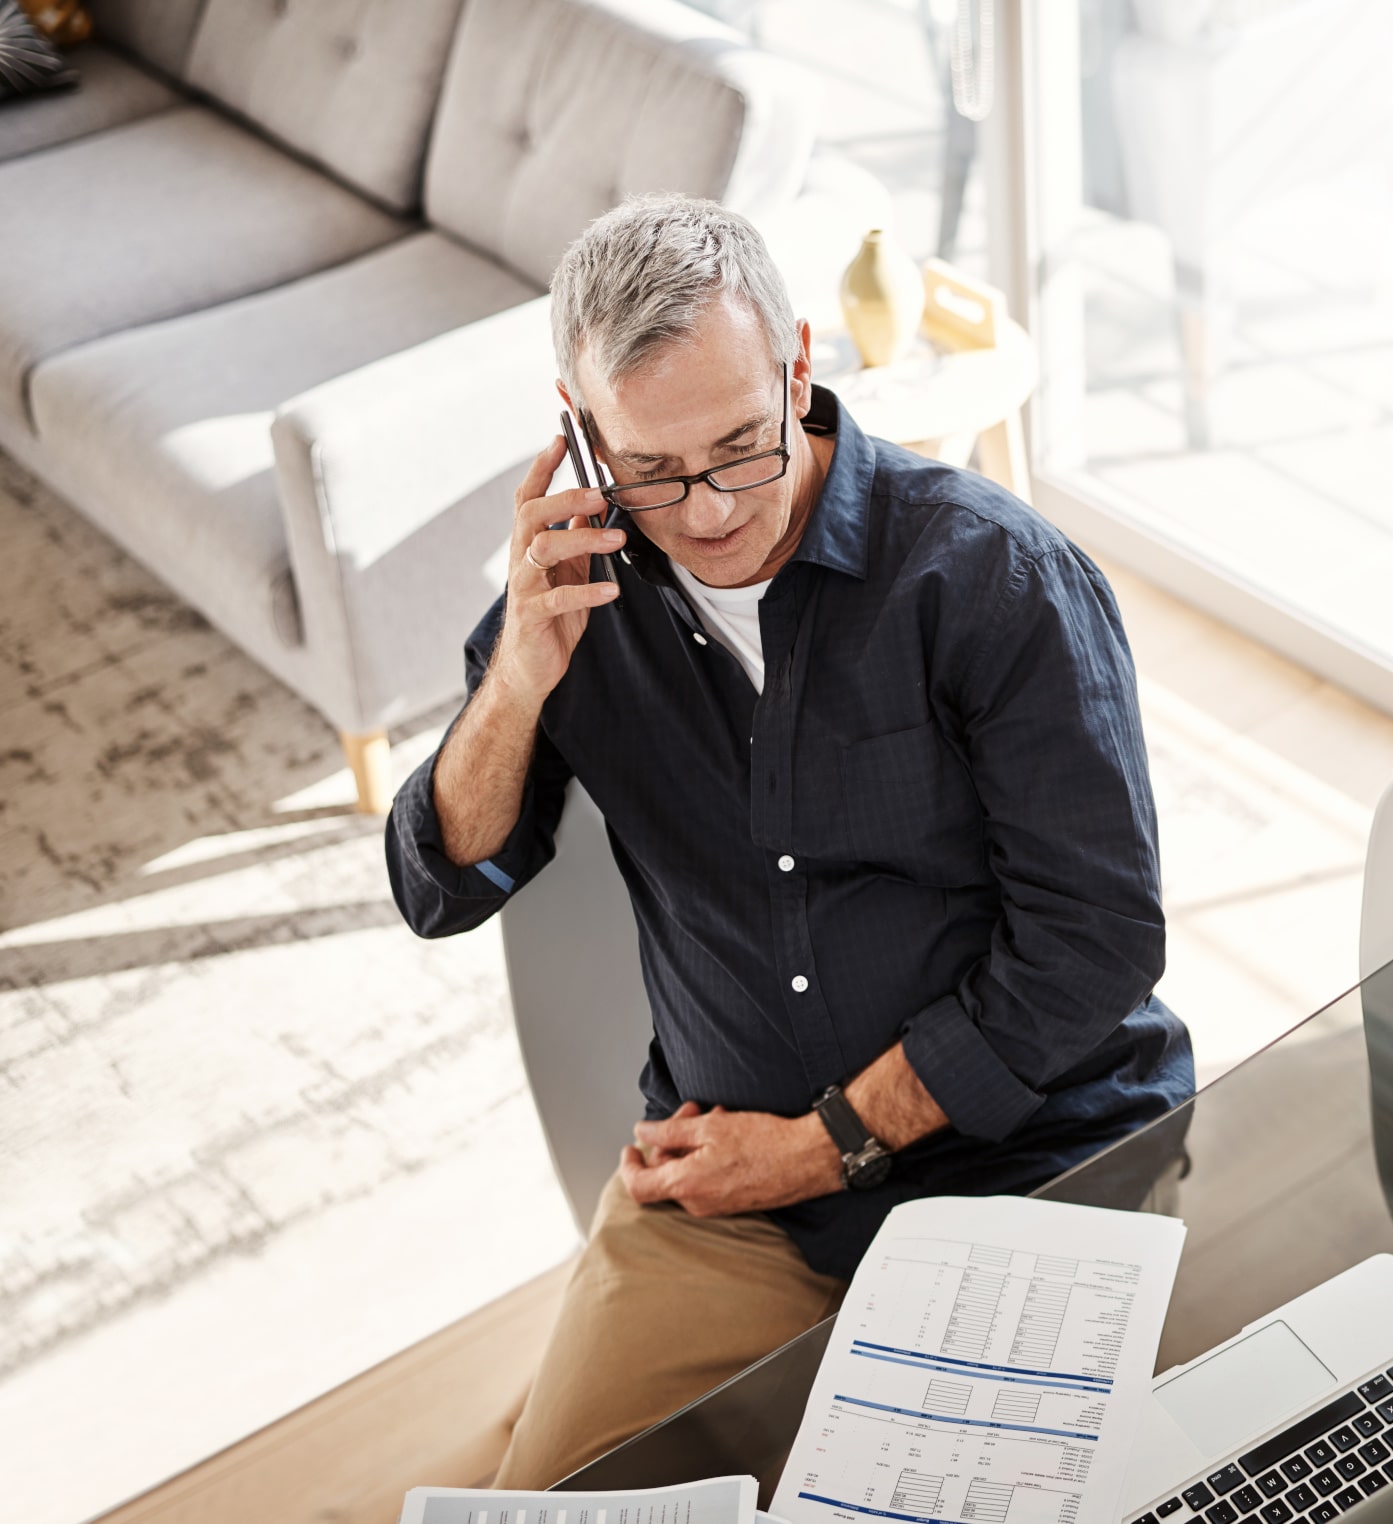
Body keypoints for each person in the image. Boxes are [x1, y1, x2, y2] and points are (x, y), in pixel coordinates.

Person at [385, 193, 1192, 1487]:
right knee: (545, 1503)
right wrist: (515, 687)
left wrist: (824, 1144)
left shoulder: (996, 579)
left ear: (800, 367)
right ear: (581, 433)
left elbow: (1098, 946)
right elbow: (438, 886)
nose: (706, 512)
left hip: (1027, 1155)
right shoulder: (568, 606)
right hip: (725, 1194)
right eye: (651, 469)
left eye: (741, 447)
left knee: (962, 1498)